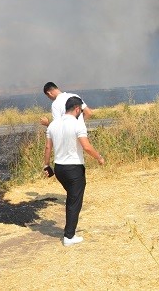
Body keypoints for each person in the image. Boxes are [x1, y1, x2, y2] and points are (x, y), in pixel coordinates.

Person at [44, 96, 105, 246]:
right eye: (81, 110)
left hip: (59, 169)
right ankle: (69, 236)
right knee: (74, 201)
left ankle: (69, 233)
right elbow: (86, 147)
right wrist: (99, 158)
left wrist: (46, 165)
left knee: (72, 197)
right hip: (74, 169)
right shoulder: (78, 125)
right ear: (77, 109)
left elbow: (47, 148)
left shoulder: (52, 125)